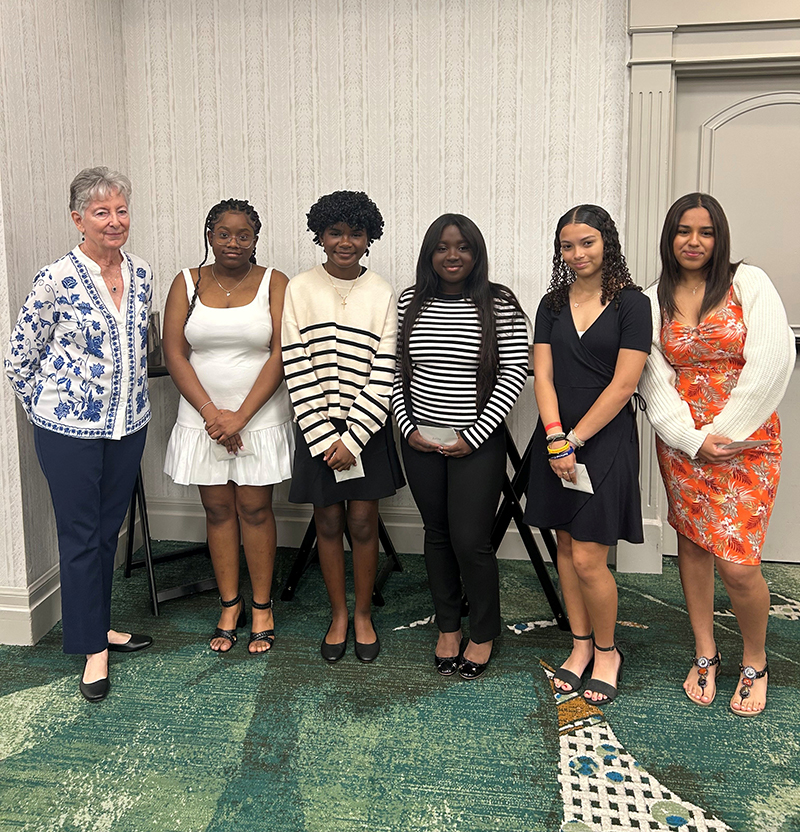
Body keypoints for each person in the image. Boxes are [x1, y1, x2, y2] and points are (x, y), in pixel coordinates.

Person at [638, 193, 794, 716]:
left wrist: (723, 433)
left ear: (719, 236)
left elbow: (773, 358)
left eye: (705, 232)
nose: (694, 241)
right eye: (684, 230)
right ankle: (705, 649)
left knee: (739, 564)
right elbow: (653, 376)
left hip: (746, 442)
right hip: (683, 445)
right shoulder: (652, 296)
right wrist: (691, 438)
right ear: (670, 236)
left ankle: (756, 659)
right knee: (694, 546)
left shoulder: (748, 282)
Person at [5, 167, 153, 702]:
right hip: (69, 430)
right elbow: (20, 356)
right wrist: (47, 409)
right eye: (101, 212)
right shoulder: (55, 278)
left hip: (128, 424)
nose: (114, 222)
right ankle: (93, 648)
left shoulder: (141, 273)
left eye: (121, 210)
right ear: (77, 219)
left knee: (107, 532)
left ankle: (100, 627)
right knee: (81, 536)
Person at [392, 214, 529, 680]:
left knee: (471, 541)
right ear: (430, 254)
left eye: (463, 247)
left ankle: (483, 630)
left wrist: (474, 436)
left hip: (477, 442)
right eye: (443, 247)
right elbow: (396, 372)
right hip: (420, 440)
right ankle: (448, 626)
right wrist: (406, 426)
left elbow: (513, 375)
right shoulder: (410, 301)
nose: (453, 256)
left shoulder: (500, 303)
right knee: (437, 535)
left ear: (477, 254)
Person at [525, 205, 651, 703]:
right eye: (567, 245)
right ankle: (579, 647)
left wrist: (574, 440)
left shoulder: (632, 304)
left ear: (607, 244)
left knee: (591, 557)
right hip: (555, 441)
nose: (577, 254)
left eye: (587, 243)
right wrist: (556, 438)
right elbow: (544, 377)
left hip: (605, 441)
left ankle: (606, 651)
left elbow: (624, 385)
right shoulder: (551, 304)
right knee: (565, 549)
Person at [162, 199, 294, 654]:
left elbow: (282, 352)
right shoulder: (187, 282)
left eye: (243, 234)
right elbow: (174, 353)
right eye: (223, 233)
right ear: (209, 235)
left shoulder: (275, 282)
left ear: (256, 238)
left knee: (256, 511)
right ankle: (229, 604)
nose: (233, 242)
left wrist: (240, 416)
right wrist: (211, 414)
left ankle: (262, 606)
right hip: (202, 419)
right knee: (217, 512)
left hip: (258, 417)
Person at [282, 190, 404, 663]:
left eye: (356, 232)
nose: (345, 242)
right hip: (316, 425)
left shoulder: (382, 292)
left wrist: (353, 437)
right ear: (320, 235)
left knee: (363, 520)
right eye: (335, 232)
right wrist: (324, 435)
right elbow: (295, 361)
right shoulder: (299, 288)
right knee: (328, 519)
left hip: (366, 428)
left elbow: (385, 369)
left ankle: (363, 616)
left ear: (369, 237)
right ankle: (337, 613)